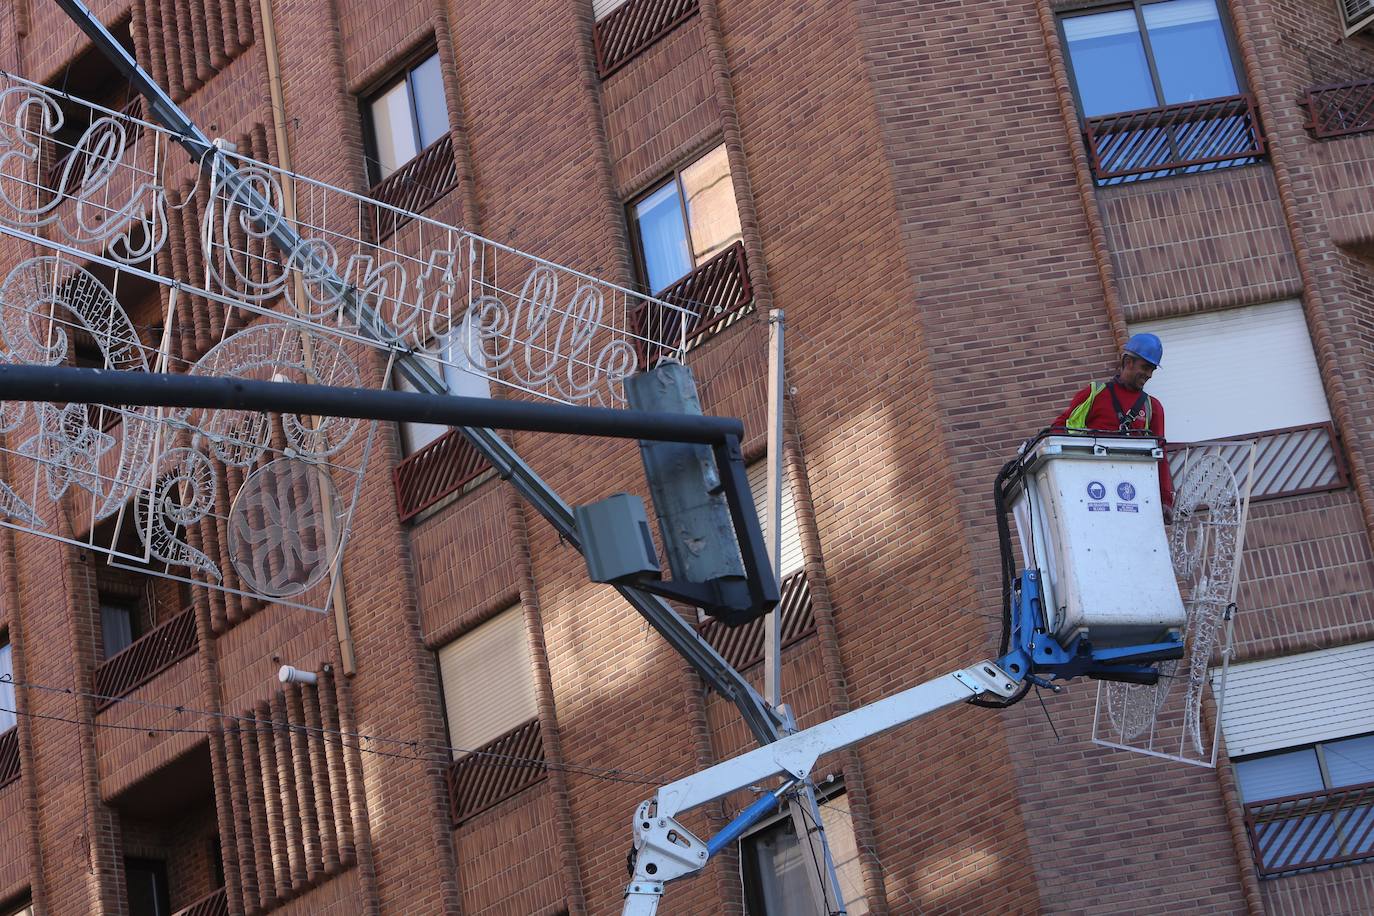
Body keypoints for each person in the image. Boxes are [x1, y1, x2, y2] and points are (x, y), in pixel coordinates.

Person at [1053, 333, 1175, 524]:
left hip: (1135, 496)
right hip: (1094, 492)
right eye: (1145, 367)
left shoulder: (1153, 408)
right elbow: (1060, 429)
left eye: (1152, 370)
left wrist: (1166, 499)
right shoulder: (1095, 394)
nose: (1149, 375)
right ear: (1128, 362)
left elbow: (1161, 456)